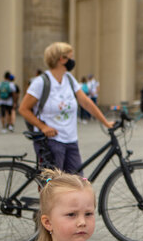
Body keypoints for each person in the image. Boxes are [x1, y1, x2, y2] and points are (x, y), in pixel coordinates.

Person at [19, 42, 114, 174]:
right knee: (51, 184)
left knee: (78, 183)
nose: (72, 61)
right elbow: (23, 109)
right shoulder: (41, 82)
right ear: (61, 59)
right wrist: (43, 127)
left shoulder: (69, 79)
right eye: (70, 57)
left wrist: (106, 122)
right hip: (50, 142)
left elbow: (86, 103)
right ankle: (45, 193)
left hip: (70, 140)